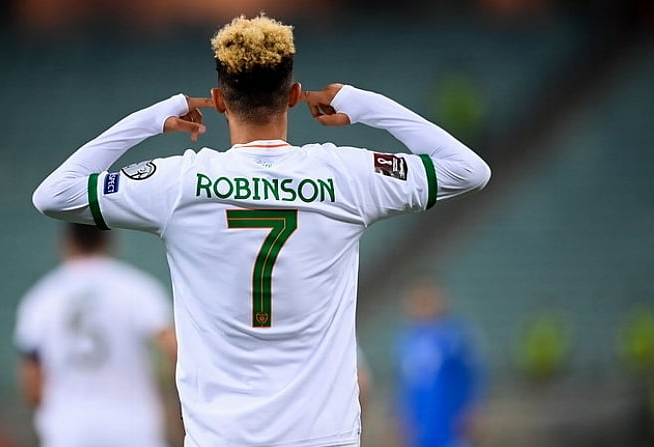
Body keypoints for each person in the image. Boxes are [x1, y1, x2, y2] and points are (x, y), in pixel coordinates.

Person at [32, 14, 491, 447]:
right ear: (293, 95)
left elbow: (54, 194)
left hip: (221, 437)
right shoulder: (344, 175)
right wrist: (361, 104)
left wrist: (156, 117)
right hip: (322, 435)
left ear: (217, 100)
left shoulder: (181, 182)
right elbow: (468, 170)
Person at [13, 223, 177, 447]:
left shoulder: (42, 297)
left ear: (66, 243)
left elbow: (32, 376)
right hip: (132, 426)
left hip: (68, 428)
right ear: (109, 242)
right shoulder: (137, 288)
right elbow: (172, 347)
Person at [393, 278, 485, 447]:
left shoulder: (454, 337)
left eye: (427, 300)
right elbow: (404, 387)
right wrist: (402, 420)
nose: (422, 306)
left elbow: (474, 377)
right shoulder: (406, 341)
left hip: (451, 429)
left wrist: (471, 413)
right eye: (417, 301)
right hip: (420, 432)